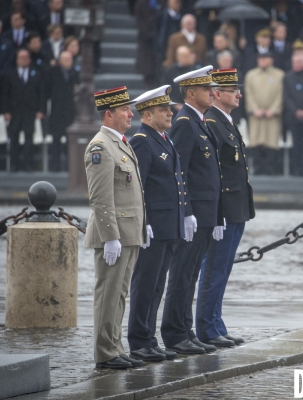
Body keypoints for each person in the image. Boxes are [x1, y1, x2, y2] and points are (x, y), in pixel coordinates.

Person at [161, 66, 224, 355]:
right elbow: (179, 172)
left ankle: (185, 329)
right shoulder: (185, 122)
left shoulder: (199, 121)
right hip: (194, 216)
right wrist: (185, 212)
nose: (214, 92)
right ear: (191, 93)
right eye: (207, 89)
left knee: (190, 275)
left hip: (205, 215)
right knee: (182, 274)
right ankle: (174, 334)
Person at [84, 86, 148, 370]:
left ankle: (115, 345)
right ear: (109, 114)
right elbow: (100, 197)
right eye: (125, 110)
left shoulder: (120, 142)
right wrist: (110, 237)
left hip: (128, 233)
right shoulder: (100, 146)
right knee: (108, 294)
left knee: (120, 294)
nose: (130, 113)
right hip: (114, 235)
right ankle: (105, 352)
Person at [197, 69, 255, 348]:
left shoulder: (225, 121)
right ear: (218, 94)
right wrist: (217, 213)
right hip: (223, 209)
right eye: (234, 91)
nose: (239, 94)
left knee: (224, 268)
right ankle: (207, 328)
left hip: (236, 206)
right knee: (215, 269)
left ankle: (216, 323)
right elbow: (213, 174)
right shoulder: (212, 122)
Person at [127, 85, 184, 363]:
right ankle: (138, 340)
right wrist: (144, 222)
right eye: (164, 110)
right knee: (145, 283)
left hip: (169, 225)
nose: (170, 113)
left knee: (157, 284)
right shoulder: (141, 140)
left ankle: (149, 338)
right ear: (147, 115)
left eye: (170, 108)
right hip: (154, 226)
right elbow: (140, 186)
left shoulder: (164, 138)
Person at [3, 48, 45, 172]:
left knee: (29, 140)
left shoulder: (36, 74)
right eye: (21, 58)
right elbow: (5, 94)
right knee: (14, 139)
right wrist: (6, 111)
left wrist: (40, 110)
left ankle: (28, 165)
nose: (23, 60)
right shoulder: (10, 74)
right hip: (14, 112)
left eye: (26, 58)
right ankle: (14, 166)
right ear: (16, 60)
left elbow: (41, 94)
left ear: (30, 60)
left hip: (30, 112)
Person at [244, 52, 284, 175]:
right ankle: (257, 168)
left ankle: (271, 169)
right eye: (260, 58)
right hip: (256, 114)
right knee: (256, 141)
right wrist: (254, 109)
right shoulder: (251, 75)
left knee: (271, 141)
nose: (262, 61)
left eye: (265, 58)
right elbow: (248, 93)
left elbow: (281, 95)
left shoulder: (279, 75)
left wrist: (274, 110)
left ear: (271, 60)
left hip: (272, 115)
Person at [46, 50, 77, 172]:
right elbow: (46, 91)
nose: (69, 62)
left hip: (71, 112)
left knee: (70, 141)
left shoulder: (76, 73)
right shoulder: (52, 72)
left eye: (70, 60)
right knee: (56, 140)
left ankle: (70, 167)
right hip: (57, 112)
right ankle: (55, 166)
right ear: (60, 61)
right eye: (66, 60)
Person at [163, 45, 198, 111]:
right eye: (184, 56)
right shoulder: (170, 70)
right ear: (177, 57)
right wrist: (175, 103)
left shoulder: (194, 70)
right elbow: (166, 89)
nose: (186, 58)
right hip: (174, 106)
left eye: (188, 56)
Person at [134, 0, 158, 89]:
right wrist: (147, 32)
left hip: (157, 36)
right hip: (144, 37)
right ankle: (148, 80)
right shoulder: (141, 2)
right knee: (145, 60)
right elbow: (138, 19)